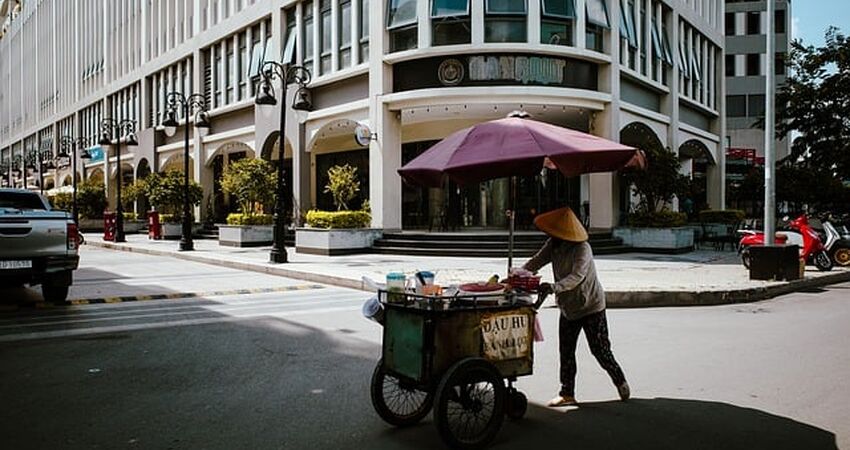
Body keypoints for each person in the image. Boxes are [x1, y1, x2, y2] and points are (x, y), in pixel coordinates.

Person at [521, 206, 629, 407]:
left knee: (600, 350)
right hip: (568, 308)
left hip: (591, 306)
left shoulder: (582, 248)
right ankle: (567, 393)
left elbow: (577, 277)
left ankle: (619, 380)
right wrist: (518, 275)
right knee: (566, 351)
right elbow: (536, 262)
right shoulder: (553, 245)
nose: (551, 236)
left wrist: (553, 287)